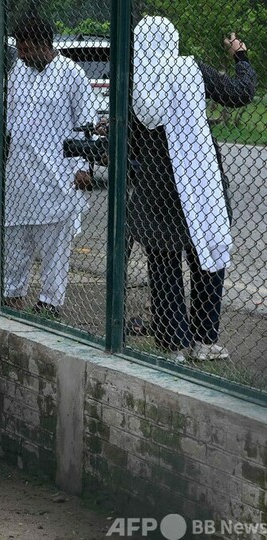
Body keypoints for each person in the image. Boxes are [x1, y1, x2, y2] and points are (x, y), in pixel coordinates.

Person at [127, 17, 256, 363]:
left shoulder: (137, 83)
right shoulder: (190, 70)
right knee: (207, 258)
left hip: (157, 186)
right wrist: (240, 57)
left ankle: (175, 344)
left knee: (164, 263)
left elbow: (131, 139)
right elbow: (240, 93)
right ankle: (204, 338)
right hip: (200, 181)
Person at [0, 13, 95, 318]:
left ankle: (50, 303)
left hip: (59, 175)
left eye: (27, 49)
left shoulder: (72, 75)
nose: (22, 55)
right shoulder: (18, 72)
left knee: (55, 246)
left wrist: (83, 167)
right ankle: (12, 295)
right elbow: (12, 121)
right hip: (20, 175)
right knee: (15, 239)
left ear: (45, 45)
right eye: (20, 49)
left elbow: (87, 126)